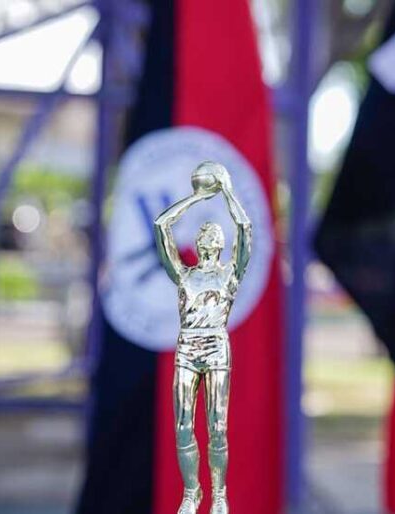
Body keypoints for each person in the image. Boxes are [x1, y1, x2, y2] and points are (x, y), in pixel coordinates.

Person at [153, 161, 251, 514]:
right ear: (197, 241)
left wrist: (225, 191)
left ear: (222, 244)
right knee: (182, 425)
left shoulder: (230, 276)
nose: (209, 234)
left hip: (215, 348)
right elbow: (161, 224)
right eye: (204, 232)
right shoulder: (184, 275)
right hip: (187, 346)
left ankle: (220, 494)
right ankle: (192, 492)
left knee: (217, 426)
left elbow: (245, 225)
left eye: (214, 232)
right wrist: (195, 198)